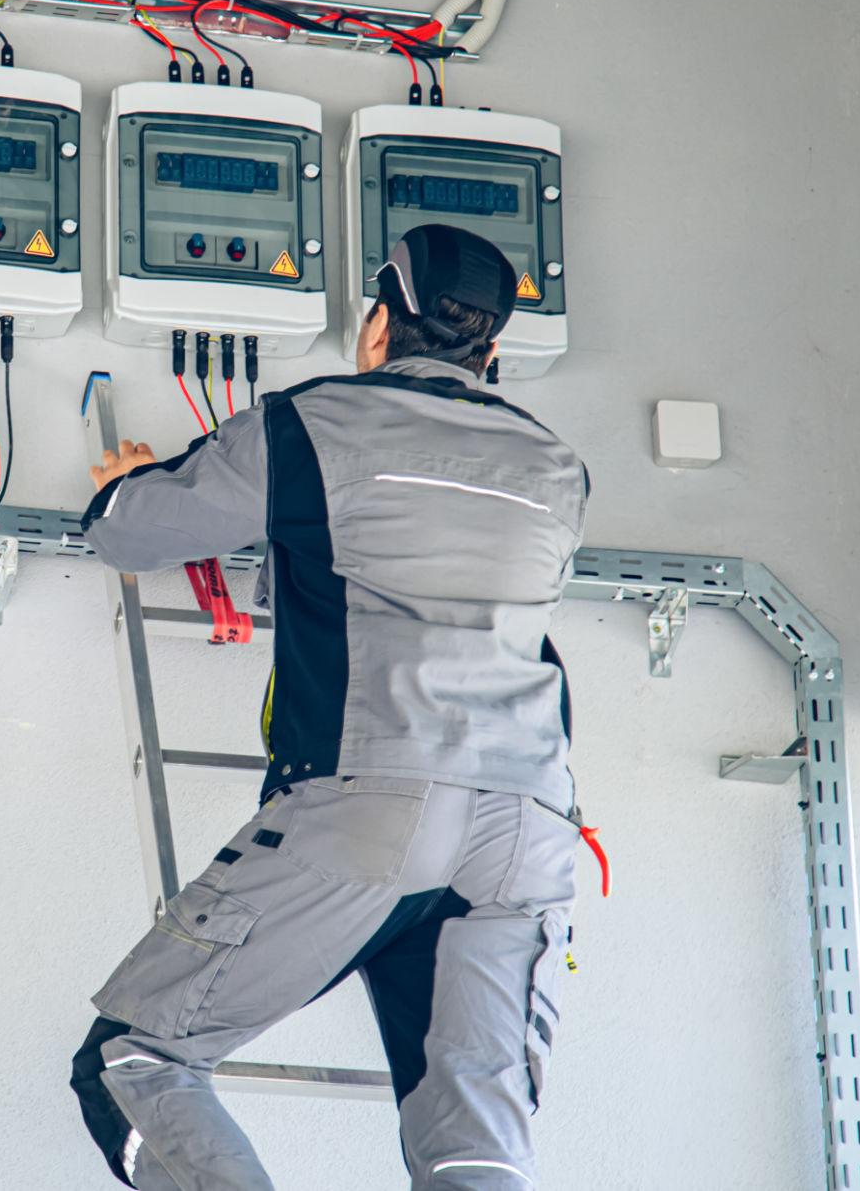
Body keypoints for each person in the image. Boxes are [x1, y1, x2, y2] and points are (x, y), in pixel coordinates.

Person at [68, 223, 594, 1190]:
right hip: (531, 833)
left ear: (378, 325)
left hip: (375, 805)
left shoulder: (314, 422)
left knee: (134, 1057)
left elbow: (135, 532)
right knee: (473, 1157)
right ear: (493, 354)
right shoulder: (557, 468)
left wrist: (117, 490)